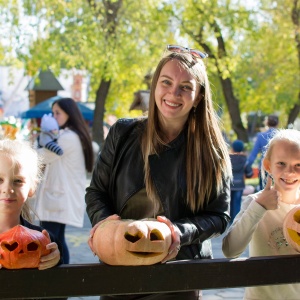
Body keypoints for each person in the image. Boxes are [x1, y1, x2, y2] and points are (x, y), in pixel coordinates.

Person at [86, 45, 232, 300]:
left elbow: (219, 217)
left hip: (178, 273)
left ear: (198, 96)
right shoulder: (122, 133)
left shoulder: (212, 152)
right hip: (119, 270)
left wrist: (177, 232)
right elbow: (96, 192)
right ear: (155, 86)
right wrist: (104, 226)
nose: (173, 93)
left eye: (186, 87)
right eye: (166, 82)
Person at [222, 129, 300, 300]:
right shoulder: (254, 203)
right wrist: (259, 208)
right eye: (281, 163)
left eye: (298, 165)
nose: (290, 172)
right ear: (267, 165)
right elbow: (230, 250)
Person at [34, 97, 94, 264]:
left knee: (51, 241)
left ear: (70, 114)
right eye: (53, 113)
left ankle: (59, 277)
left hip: (57, 198)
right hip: (59, 197)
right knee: (57, 240)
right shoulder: (72, 135)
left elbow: (42, 157)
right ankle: (61, 279)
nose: (54, 117)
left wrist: (35, 142)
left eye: (57, 113)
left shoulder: (67, 137)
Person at [0, 138, 62, 270]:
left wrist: (54, 259)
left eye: (17, 181)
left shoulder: (42, 239)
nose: (7, 188)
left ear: (32, 187)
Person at [246, 114, 279, 190]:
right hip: (279, 167)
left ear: (267, 123)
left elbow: (254, 153)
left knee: (263, 192)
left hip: (264, 166)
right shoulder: (281, 136)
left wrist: (248, 165)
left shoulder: (261, 136)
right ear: (278, 123)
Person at [229, 139, 253, 221]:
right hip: (240, 185)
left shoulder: (228, 159)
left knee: (229, 202)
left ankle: (229, 219)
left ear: (233, 148)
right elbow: (249, 173)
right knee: (237, 203)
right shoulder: (244, 159)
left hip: (229, 184)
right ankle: (235, 220)